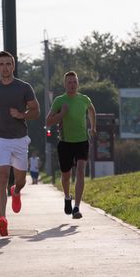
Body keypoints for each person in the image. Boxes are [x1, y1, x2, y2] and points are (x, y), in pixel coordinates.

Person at [0, 51, 40, 236]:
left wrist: (22, 115)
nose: (5, 67)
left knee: (20, 180)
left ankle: (16, 191)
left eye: (8, 64)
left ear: (13, 66)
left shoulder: (23, 87)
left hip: (20, 139)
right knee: (2, 177)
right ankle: (2, 218)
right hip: (0, 139)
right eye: (1, 64)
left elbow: (36, 110)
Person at [46, 71, 96, 219]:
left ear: (78, 83)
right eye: (69, 82)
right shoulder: (60, 101)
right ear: (64, 84)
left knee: (80, 170)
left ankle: (77, 207)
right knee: (66, 176)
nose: (72, 85)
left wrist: (93, 127)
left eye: (74, 82)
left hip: (82, 141)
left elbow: (92, 111)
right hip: (65, 142)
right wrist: (62, 114)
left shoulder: (84, 99)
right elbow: (48, 122)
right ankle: (67, 197)